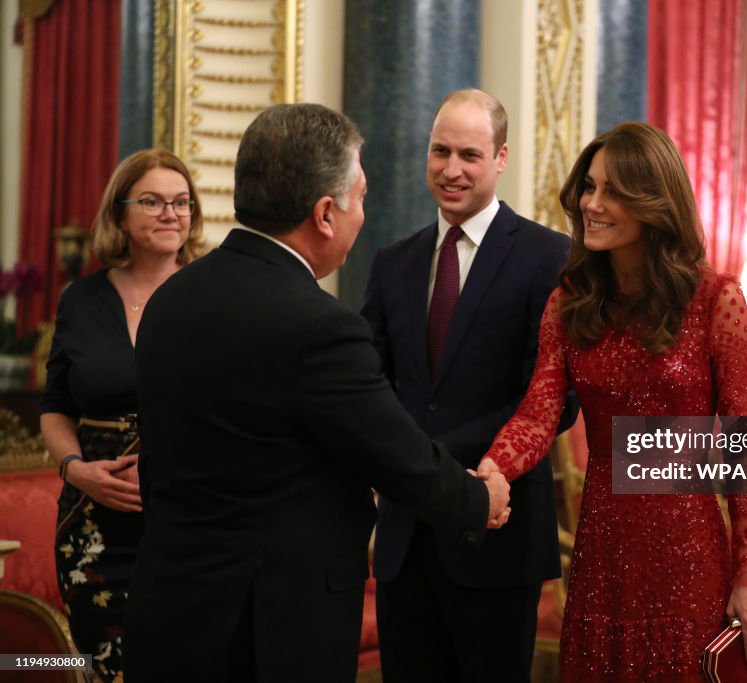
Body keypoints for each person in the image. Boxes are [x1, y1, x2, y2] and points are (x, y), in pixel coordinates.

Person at [124, 103, 511, 682]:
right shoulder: (319, 326)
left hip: (168, 605)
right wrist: (479, 502)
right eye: (359, 199)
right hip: (274, 626)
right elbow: (393, 453)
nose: (362, 214)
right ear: (325, 213)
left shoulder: (170, 300)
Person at [478, 121, 747, 682]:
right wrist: (496, 468)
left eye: (612, 191)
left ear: (654, 202)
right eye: (589, 187)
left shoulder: (716, 300)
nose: (592, 203)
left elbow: (743, 447)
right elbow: (539, 414)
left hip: (688, 550)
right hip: (603, 551)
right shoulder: (570, 303)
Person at [362, 88, 576, 682]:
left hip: (497, 532)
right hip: (407, 538)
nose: (451, 169)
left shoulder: (549, 257)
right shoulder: (392, 262)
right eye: (440, 151)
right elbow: (368, 384)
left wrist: (460, 464)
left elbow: (552, 398)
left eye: (470, 155)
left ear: (501, 158)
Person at [40, 148, 207, 682]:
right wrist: (75, 470)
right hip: (93, 524)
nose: (170, 214)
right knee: (104, 666)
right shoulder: (81, 301)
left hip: (192, 517)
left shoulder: (213, 296)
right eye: (153, 201)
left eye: (182, 203)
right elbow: (55, 409)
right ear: (120, 213)